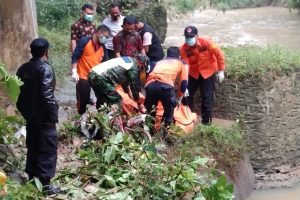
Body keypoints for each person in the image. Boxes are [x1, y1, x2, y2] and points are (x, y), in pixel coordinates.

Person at [16, 38, 60, 195]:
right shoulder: (45, 69)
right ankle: (45, 185)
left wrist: (26, 113)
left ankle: (32, 180)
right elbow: (47, 96)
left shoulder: (23, 69)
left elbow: (19, 95)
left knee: (33, 148)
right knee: (47, 150)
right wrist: (53, 117)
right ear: (46, 52)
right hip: (44, 119)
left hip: (31, 119)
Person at [180, 26, 225, 125]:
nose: (189, 39)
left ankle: (206, 122)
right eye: (187, 37)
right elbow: (185, 66)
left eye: (191, 37)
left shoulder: (207, 43)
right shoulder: (184, 49)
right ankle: (187, 119)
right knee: (186, 96)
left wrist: (221, 70)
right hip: (193, 73)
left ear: (197, 36)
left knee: (207, 96)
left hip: (208, 72)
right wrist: (184, 83)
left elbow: (219, 54)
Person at [144, 46, 188, 129]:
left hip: (150, 86)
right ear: (179, 56)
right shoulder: (182, 63)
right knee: (168, 114)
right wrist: (179, 98)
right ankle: (166, 137)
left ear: (167, 56)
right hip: (166, 87)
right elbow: (184, 83)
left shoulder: (160, 62)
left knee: (150, 113)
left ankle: (148, 135)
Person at [71, 25, 110, 115]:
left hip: (96, 76)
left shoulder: (103, 47)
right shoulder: (85, 41)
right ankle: (81, 114)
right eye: (106, 36)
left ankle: (100, 114)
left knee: (102, 96)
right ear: (99, 33)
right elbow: (75, 57)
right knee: (83, 97)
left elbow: (105, 62)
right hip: (83, 75)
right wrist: (74, 71)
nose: (106, 39)